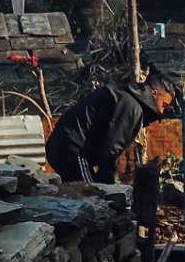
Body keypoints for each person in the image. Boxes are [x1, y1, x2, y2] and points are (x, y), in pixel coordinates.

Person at [44, 75, 173, 183]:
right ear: (154, 93)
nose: (162, 111)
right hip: (73, 150)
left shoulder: (126, 96)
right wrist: (108, 187)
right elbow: (110, 149)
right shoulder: (131, 106)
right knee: (90, 197)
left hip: (65, 145)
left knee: (82, 198)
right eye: (164, 105)